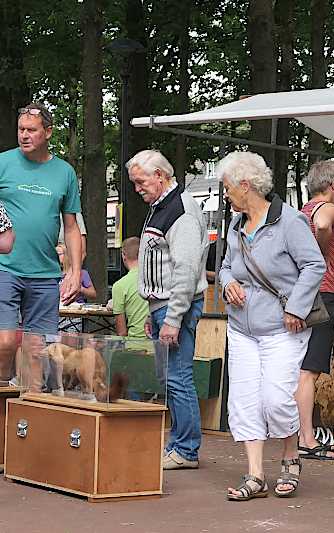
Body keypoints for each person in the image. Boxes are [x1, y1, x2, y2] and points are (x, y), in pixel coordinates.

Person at [217, 151, 325, 499]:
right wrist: (226, 282)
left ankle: (291, 456)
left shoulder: (289, 222)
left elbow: (314, 265)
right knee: (245, 401)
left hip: (283, 327)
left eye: (228, 188)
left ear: (245, 186)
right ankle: (255, 474)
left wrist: (296, 307)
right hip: (241, 328)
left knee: (276, 400)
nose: (225, 195)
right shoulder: (235, 225)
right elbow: (225, 266)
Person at [127, 149, 208, 470]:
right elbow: (158, 264)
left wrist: (172, 318)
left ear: (160, 176)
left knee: (178, 377)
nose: (138, 189)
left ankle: (186, 449)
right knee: (172, 377)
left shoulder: (181, 211)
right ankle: (178, 444)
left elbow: (186, 269)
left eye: (141, 182)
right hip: (163, 306)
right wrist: (152, 311)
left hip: (178, 307)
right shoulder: (162, 205)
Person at [0, 102, 82, 381]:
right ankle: (3, 395)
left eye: (31, 130)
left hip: (45, 274)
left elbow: (71, 228)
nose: (24, 135)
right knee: (6, 341)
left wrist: (73, 271)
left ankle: (29, 413)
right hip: (5, 267)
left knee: (37, 350)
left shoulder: (65, 173)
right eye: (21, 129)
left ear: (48, 132)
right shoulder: (3, 163)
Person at [296, 159, 334, 461]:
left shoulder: (299, 212)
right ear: (332, 185)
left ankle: (300, 435)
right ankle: (307, 438)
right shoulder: (326, 208)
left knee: (302, 367)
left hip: (309, 296)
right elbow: (323, 223)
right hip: (324, 295)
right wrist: (321, 248)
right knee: (310, 370)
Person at [112, 237, 149, 338]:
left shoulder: (119, 286)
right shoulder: (156, 278)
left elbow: (121, 332)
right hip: (160, 344)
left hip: (135, 345)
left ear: (124, 255)